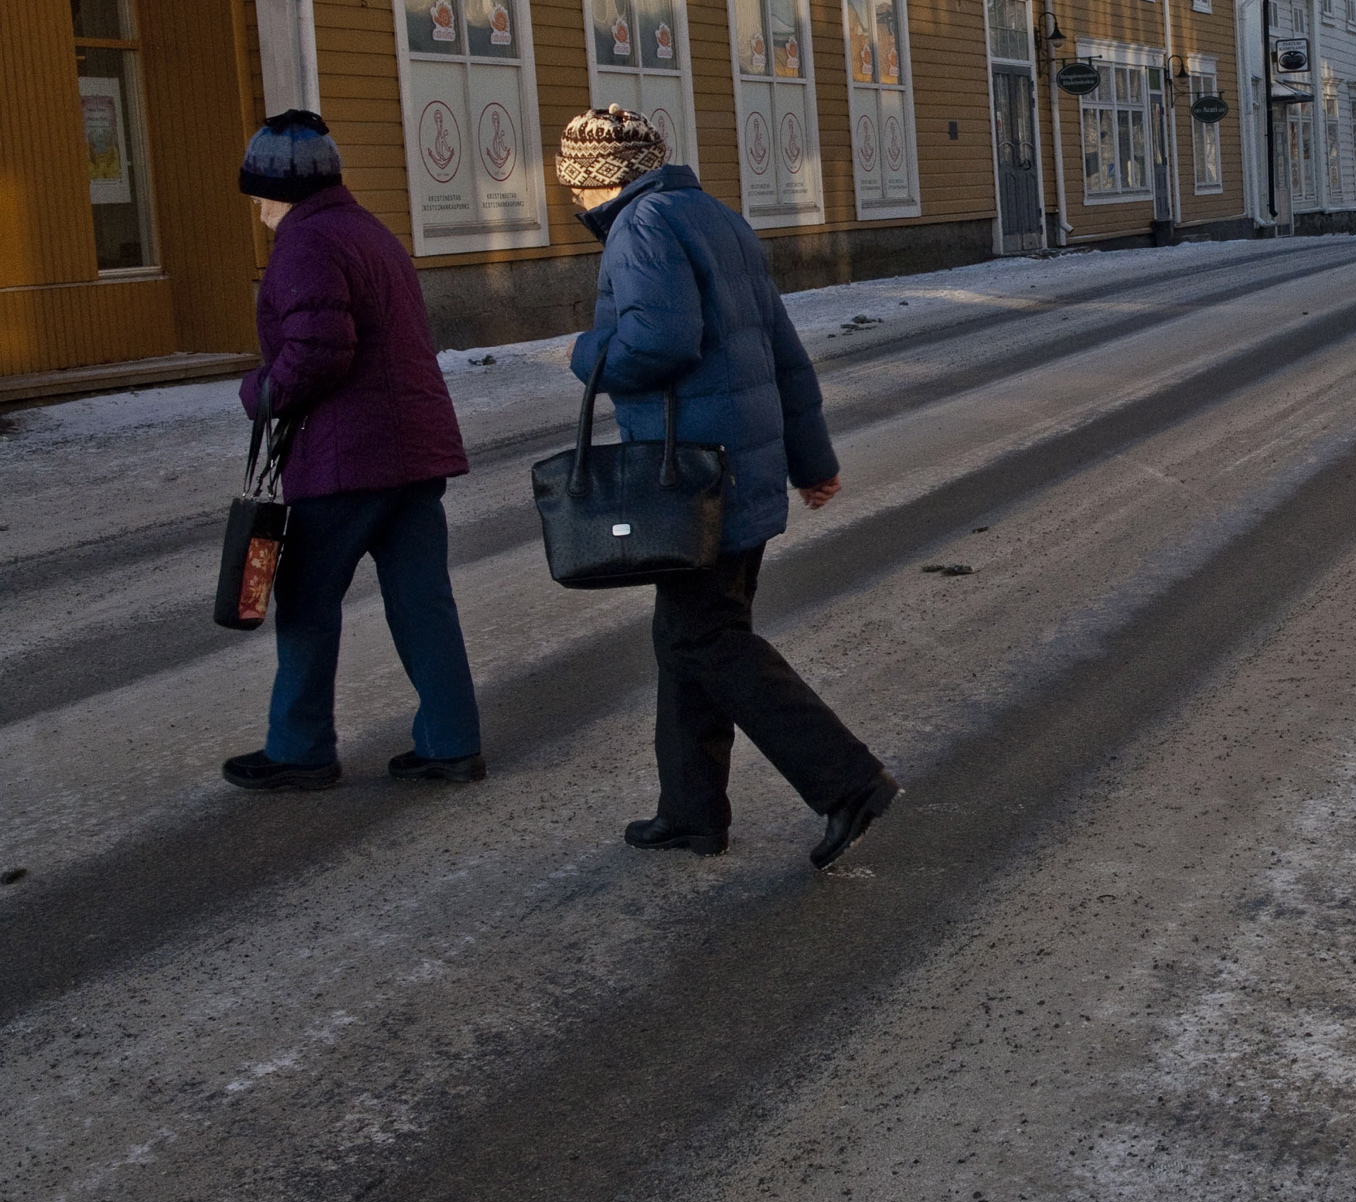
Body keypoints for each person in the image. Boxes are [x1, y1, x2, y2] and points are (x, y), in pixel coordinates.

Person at [557, 106, 898, 871]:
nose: (572, 203)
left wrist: (587, 353)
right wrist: (811, 461)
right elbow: (781, 351)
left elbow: (658, 341)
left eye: (572, 186)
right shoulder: (716, 218)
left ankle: (847, 781)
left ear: (595, 180)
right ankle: (690, 813)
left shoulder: (639, 230)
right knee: (687, 642)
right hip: (734, 473)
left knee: (703, 639)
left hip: (692, 479)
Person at [221, 111, 483, 791]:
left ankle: (300, 749)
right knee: (423, 602)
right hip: (413, 452)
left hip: (346, 459)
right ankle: (452, 742)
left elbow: (318, 351)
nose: (258, 214)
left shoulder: (306, 244)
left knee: (306, 603)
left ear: (284, 191)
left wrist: (262, 393)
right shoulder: (368, 232)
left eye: (260, 198)